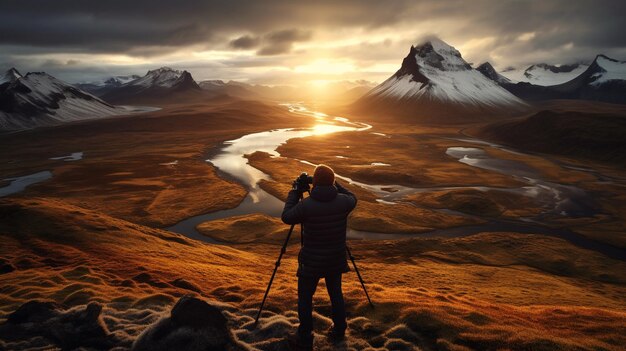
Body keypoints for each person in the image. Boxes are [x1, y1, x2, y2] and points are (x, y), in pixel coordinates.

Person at [281, 164, 357, 350]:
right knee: (335, 294)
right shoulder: (344, 202)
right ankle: (340, 330)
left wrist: (294, 192)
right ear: (331, 181)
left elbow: (287, 216)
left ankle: (305, 336)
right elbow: (353, 197)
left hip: (311, 262)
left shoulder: (305, 205)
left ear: (315, 182)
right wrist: (334, 183)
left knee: (305, 298)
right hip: (335, 259)